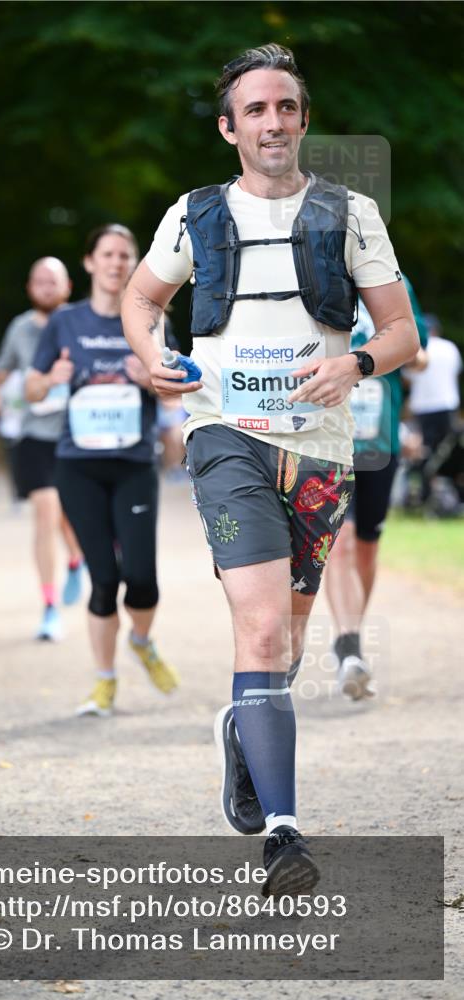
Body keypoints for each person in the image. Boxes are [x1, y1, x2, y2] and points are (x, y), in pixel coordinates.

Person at [121, 44, 419, 896]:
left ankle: (243, 730)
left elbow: (400, 332)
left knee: (284, 642)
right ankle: (283, 836)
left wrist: (355, 364)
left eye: (285, 106)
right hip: (223, 437)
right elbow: (141, 299)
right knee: (257, 631)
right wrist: (151, 355)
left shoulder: (349, 213)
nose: (272, 121)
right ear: (229, 129)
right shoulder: (193, 215)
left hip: (319, 448)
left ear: (303, 119)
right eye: (254, 109)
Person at [25, 225, 179, 716]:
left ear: (134, 264)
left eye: (125, 255)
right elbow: (30, 388)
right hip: (79, 467)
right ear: (90, 262)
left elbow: (176, 389)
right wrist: (52, 378)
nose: (116, 263)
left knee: (142, 578)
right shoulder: (64, 321)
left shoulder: (151, 321)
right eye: (108, 254)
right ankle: (104, 682)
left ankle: (141, 641)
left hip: (134, 465)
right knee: (105, 580)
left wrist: (152, 380)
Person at [0, 258, 84, 641]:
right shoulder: (21, 329)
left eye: (52, 281)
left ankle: (76, 558)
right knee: (45, 514)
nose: (45, 287)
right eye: (38, 280)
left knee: (67, 515)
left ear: (67, 286)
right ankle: (50, 607)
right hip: (34, 436)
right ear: (29, 287)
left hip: (77, 436)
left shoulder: (82, 322)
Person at [324, 277, 428, 700]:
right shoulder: (320, 274)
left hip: (379, 443)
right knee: (340, 541)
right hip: (330, 440)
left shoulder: (391, 280)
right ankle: (349, 646)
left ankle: (351, 636)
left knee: (366, 547)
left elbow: (417, 348)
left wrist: (413, 358)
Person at [404, 314, 462, 500]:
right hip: (447, 406)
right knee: (445, 453)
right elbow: (455, 373)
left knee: (423, 452)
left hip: (422, 408)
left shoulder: (415, 350)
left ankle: (423, 494)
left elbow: (408, 380)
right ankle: (447, 494)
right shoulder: (450, 347)